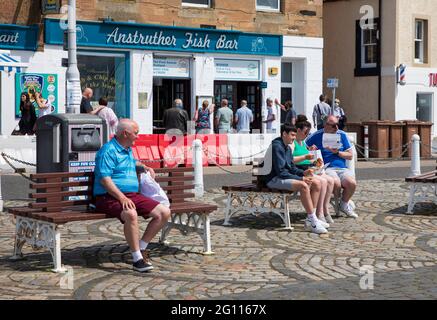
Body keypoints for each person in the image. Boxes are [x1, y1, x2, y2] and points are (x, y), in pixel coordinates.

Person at [93, 119, 171, 272]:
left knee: (164, 212)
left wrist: (144, 166)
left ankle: (141, 248)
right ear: (125, 133)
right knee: (130, 213)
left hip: (131, 195)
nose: (138, 136)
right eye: (136, 133)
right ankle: (137, 259)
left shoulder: (127, 148)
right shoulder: (108, 151)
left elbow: (131, 162)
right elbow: (104, 179)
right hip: (108, 196)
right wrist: (122, 197)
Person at [263, 124, 328, 234]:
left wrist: (303, 172)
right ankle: (312, 220)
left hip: (281, 177)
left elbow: (291, 167)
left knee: (316, 183)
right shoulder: (277, 147)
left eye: (294, 135)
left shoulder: (287, 147)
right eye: (292, 135)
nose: (294, 137)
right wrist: (301, 178)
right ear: (284, 134)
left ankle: (310, 219)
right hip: (273, 179)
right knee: (303, 186)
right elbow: (281, 172)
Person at [306, 115, 357, 218]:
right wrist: (310, 149)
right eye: (334, 126)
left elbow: (350, 155)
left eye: (337, 125)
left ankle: (344, 204)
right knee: (336, 183)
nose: (337, 128)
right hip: (327, 167)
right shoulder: (317, 135)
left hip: (341, 168)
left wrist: (338, 152)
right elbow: (303, 145)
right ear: (326, 125)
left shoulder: (341, 134)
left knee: (352, 183)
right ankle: (328, 206)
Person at [292, 118, 335, 224]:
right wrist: (306, 156)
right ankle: (317, 214)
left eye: (308, 132)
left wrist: (310, 150)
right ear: (298, 130)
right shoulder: (292, 143)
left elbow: (307, 155)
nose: (307, 135)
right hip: (300, 170)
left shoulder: (303, 142)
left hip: (308, 168)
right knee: (322, 182)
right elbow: (292, 159)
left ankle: (324, 210)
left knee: (330, 180)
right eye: (305, 132)